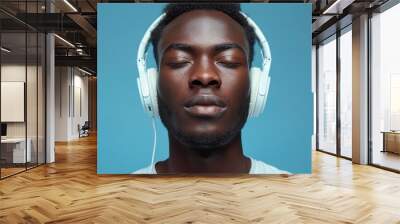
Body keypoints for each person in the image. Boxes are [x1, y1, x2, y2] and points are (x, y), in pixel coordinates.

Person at [133, 3, 289, 174]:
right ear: (151, 84)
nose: (205, 76)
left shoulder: (292, 194)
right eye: (179, 60)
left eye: (228, 60)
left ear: (255, 82)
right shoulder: (125, 197)